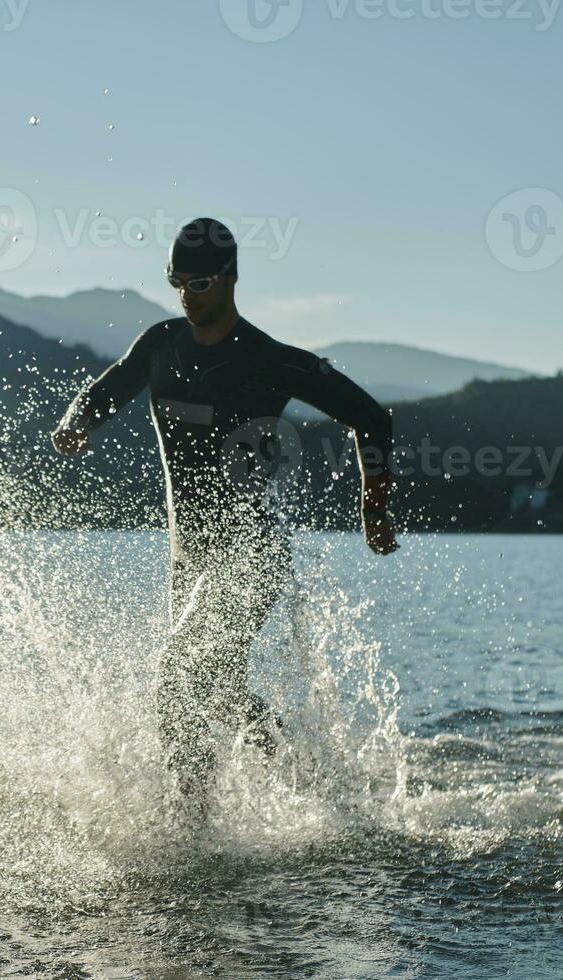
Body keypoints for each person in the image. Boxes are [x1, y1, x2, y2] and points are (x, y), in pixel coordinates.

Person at [51, 218, 399, 803]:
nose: (188, 295)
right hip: (188, 556)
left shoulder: (269, 360)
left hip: (251, 552)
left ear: (232, 279)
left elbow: (372, 417)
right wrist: (75, 421)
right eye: (177, 282)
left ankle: (193, 827)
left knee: (178, 675)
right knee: (220, 687)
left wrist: (373, 510)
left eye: (202, 282)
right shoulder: (160, 345)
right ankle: (310, 785)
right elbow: (105, 389)